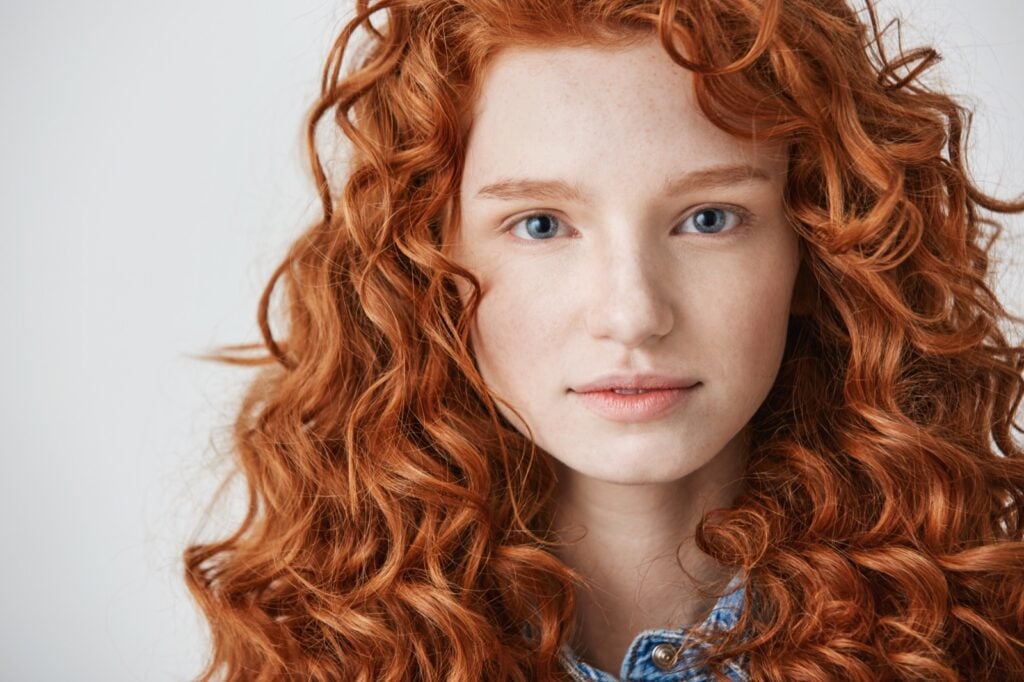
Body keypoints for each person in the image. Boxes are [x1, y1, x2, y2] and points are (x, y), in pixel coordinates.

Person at [184, 0, 1024, 679]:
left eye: (708, 219)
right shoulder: (319, 653)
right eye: (542, 224)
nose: (632, 313)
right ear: (427, 261)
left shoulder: (985, 634)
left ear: (817, 248)